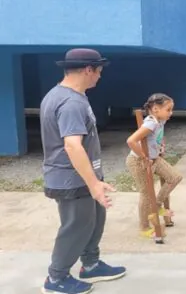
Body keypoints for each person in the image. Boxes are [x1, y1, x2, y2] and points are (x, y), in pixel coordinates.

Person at [40, 48, 126, 294]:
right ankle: (56, 279)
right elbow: (72, 145)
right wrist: (93, 184)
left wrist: (96, 179)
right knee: (76, 226)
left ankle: (90, 264)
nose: (99, 76)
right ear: (88, 70)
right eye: (98, 71)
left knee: (94, 221)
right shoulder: (70, 103)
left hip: (84, 176)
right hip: (71, 179)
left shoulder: (68, 94)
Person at [125, 93, 183, 238]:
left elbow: (159, 136)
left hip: (154, 158)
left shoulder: (160, 121)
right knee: (145, 193)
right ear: (156, 109)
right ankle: (144, 228)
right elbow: (131, 141)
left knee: (174, 177)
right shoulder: (151, 123)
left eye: (171, 109)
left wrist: (161, 146)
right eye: (168, 109)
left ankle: (156, 207)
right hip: (139, 162)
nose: (171, 113)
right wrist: (144, 157)